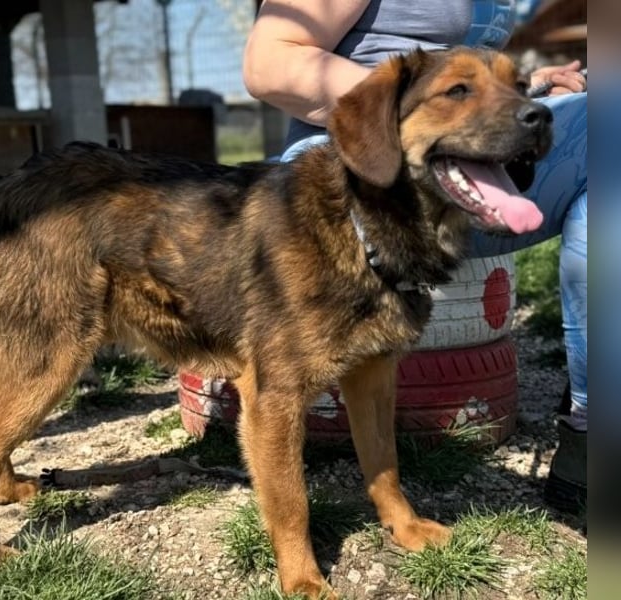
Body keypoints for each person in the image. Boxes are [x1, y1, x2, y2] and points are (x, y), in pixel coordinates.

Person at [243, 0, 586, 514]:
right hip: (352, 177)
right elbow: (268, 64)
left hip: (463, 170)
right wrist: (406, 112)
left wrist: (525, 91)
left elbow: (461, 82)